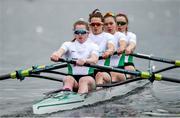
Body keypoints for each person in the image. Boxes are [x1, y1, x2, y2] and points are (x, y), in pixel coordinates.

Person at [50, 20, 99, 94]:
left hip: (89, 79)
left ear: (88, 33)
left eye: (82, 32)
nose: (80, 34)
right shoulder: (67, 44)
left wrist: (85, 61)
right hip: (73, 79)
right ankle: (65, 95)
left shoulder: (93, 46)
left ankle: (79, 98)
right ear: (74, 33)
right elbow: (59, 52)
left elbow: (94, 59)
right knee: (67, 78)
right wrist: (55, 55)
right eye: (77, 32)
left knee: (83, 80)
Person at [88, 9, 115, 85]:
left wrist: (108, 52)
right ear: (89, 25)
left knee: (99, 75)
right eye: (93, 24)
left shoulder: (108, 36)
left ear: (102, 25)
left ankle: (97, 94)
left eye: (98, 24)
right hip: (88, 72)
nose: (95, 26)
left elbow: (111, 47)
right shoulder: (84, 37)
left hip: (104, 71)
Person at [103, 12, 127, 82]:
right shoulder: (101, 37)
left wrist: (122, 48)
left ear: (115, 24)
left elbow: (123, 43)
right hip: (102, 70)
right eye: (106, 24)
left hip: (118, 69)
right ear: (103, 26)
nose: (109, 26)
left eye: (111, 23)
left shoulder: (120, 35)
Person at [115, 13, 137, 78]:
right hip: (112, 64)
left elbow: (132, 43)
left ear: (127, 25)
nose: (119, 25)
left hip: (127, 63)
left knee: (130, 69)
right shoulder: (110, 36)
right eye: (117, 23)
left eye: (122, 23)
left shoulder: (131, 35)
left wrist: (129, 48)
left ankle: (126, 80)